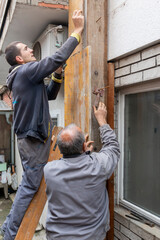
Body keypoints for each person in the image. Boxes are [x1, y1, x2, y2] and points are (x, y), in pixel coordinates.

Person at [0, 10, 84, 240]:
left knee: (30, 184)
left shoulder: (25, 77)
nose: (30, 50)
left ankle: (7, 226)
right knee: (30, 187)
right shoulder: (26, 72)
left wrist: (57, 75)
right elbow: (55, 59)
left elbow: (48, 95)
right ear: (19, 58)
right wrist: (76, 32)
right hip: (33, 140)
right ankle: (10, 233)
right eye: (26, 49)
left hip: (32, 138)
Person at [44, 102, 120, 240]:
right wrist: (102, 120)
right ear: (84, 146)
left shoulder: (49, 170)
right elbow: (113, 148)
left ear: (61, 149)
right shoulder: (98, 166)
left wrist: (84, 154)